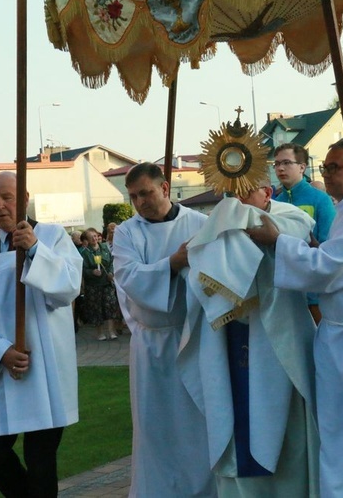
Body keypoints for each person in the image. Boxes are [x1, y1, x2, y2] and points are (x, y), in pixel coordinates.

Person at [249, 138, 343, 497]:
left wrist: (279, 241)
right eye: (324, 167)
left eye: (334, 167)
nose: (326, 174)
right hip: (333, 330)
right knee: (335, 427)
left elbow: (332, 267)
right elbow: (329, 255)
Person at [180, 176, 320, 496]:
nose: (235, 201)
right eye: (230, 193)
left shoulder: (290, 217)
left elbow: (301, 241)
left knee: (284, 425)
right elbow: (198, 267)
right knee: (234, 417)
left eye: (244, 192)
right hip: (230, 338)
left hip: (279, 342)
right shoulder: (216, 225)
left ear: (267, 192)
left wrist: (270, 237)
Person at [0, 171, 82, 497]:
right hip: (2, 370)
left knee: (41, 461)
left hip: (44, 369)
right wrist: (1, 352)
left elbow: (68, 289)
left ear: (24, 198)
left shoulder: (53, 237)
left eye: (6, 197)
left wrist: (37, 250)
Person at [113, 163, 216, 497]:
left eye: (146, 192)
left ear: (166, 188)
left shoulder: (200, 224)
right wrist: (172, 263)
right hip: (151, 343)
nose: (140, 202)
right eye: (133, 196)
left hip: (194, 337)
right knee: (154, 427)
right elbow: (128, 278)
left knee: (195, 425)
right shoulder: (128, 232)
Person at [272, 143, 336, 324]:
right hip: (286, 296)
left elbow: (328, 244)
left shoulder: (320, 199)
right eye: (276, 164)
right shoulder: (274, 202)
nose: (280, 168)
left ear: (302, 167)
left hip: (315, 296)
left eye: (286, 162)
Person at [80, 227, 121, 341]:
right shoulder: (85, 252)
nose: (94, 238)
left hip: (106, 282)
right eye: (91, 237)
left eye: (95, 236)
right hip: (93, 285)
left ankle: (112, 331)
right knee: (96, 308)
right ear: (87, 240)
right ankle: (100, 332)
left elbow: (112, 262)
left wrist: (111, 273)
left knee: (110, 304)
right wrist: (91, 272)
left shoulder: (104, 248)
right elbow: (82, 269)